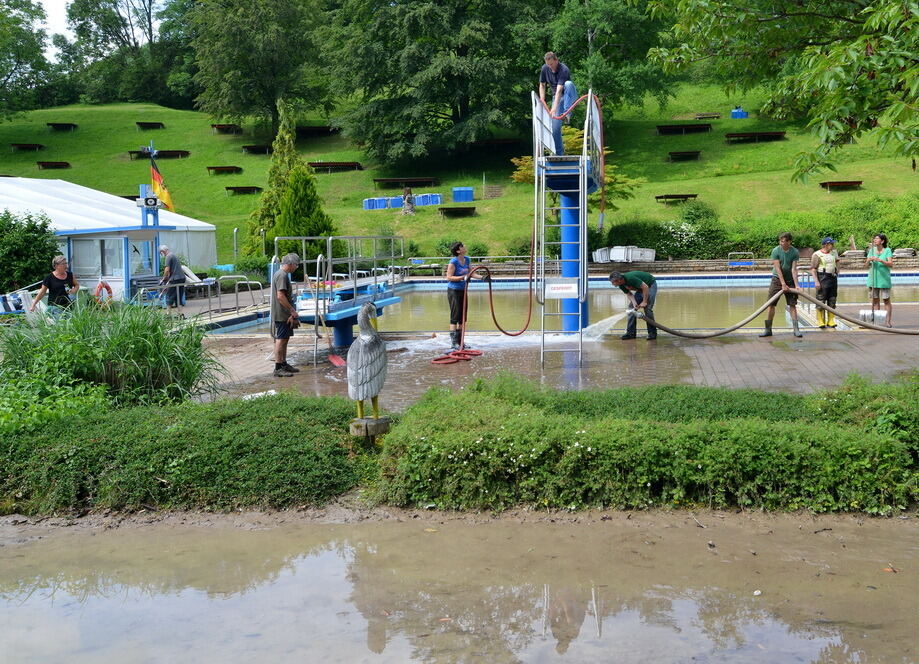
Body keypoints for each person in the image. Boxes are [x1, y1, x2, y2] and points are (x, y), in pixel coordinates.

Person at [445, 241, 488, 350]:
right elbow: (449, 277)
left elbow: (471, 273)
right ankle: (454, 343)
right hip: (454, 291)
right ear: (458, 250)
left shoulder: (467, 259)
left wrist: (482, 278)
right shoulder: (453, 262)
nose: (465, 247)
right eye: (462, 246)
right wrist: (462, 278)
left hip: (463, 290)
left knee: (463, 317)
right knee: (455, 316)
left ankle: (461, 342)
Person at [760, 232, 802, 338]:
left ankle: (796, 329)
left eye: (784, 241)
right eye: (781, 241)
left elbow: (793, 269)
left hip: (790, 280)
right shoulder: (776, 251)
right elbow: (778, 268)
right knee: (771, 304)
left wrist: (797, 285)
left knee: (792, 304)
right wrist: (783, 284)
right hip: (777, 280)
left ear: (789, 241)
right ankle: (768, 329)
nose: (782, 243)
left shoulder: (794, 252)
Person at [539, 51, 578, 155]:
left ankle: (567, 114)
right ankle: (559, 154)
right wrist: (542, 100)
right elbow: (542, 85)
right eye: (548, 64)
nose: (550, 67)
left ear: (556, 60)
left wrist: (554, 108)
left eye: (551, 64)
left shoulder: (563, 69)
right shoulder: (545, 68)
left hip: (568, 95)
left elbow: (560, 90)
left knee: (568, 84)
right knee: (555, 129)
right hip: (557, 98)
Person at [271, 253, 301, 377]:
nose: (296, 268)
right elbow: (280, 296)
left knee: (285, 338)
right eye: (296, 265)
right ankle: (278, 368)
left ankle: (283, 363)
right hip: (281, 313)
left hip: (284, 313)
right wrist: (292, 310)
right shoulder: (282, 275)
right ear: (290, 264)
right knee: (281, 339)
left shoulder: (282, 274)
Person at [609, 270, 657, 340]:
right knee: (631, 309)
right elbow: (629, 294)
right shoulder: (621, 285)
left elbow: (645, 287)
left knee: (647, 309)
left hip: (650, 285)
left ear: (619, 280)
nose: (612, 284)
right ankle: (631, 333)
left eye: (613, 282)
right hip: (641, 288)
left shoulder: (630, 278)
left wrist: (644, 301)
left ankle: (652, 333)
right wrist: (634, 303)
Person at [810, 237, 840, 329]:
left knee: (832, 299)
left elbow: (837, 261)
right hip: (822, 277)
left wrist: (837, 270)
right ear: (825, 245)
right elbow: (813, 269)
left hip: (832, 278)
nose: (833, 245)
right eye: (831, 244)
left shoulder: (834, 252)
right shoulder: (817, 254)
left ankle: (831, 320)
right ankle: (820, 320)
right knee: (821, 299)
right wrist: (816, 281)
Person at [866, 233, 894, 327]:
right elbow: (866, 265)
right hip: (873, 279)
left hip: (884, 280)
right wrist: (869, 260)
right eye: (874, 238)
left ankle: (887, 321)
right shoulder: (872, 250)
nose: (875, 240)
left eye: (877, 238)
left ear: (882, 241)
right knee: (875, 300)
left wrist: (880, 260)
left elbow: (890, 264)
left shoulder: (887, 250)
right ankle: (877, 322)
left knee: (886, 300)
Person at [158, 245, 186, 310]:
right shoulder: (173, 255)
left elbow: (167, 270)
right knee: (178, 297)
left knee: (169, 296)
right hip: (182, 278)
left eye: (160, 253)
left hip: (175, 279)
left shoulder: (168, 256)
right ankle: (180, 314)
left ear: (163, 251)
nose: (161, 254)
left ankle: (168, 314)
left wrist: (164, 278)